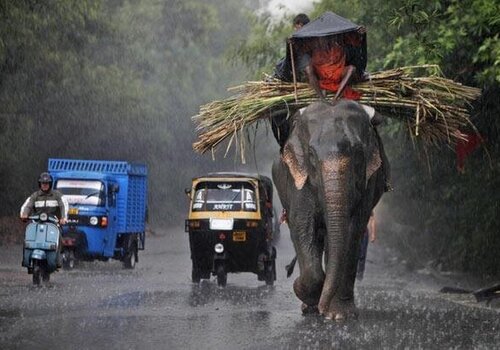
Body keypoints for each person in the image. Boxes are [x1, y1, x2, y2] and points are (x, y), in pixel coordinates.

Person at [20, 172, 69, 268]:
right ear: (40, 184)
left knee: (59, 238)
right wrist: (24, 214)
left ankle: (57, 260)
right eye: (43, 183)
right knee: (27, 239)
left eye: (47, 183)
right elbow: (27, 205)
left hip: (53, 223)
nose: (45, 185)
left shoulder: (57, 195)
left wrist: (63, 218)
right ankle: (26, 259)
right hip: (37, 222)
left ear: (50, 184)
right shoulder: (35, 196)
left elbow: (64, 205)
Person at [357, 211, 376, 281]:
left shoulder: (366, 205)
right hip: (353, 230)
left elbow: (372, 219)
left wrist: (373, 234)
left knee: (362, 253)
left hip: (363, 231)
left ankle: (360, 274)